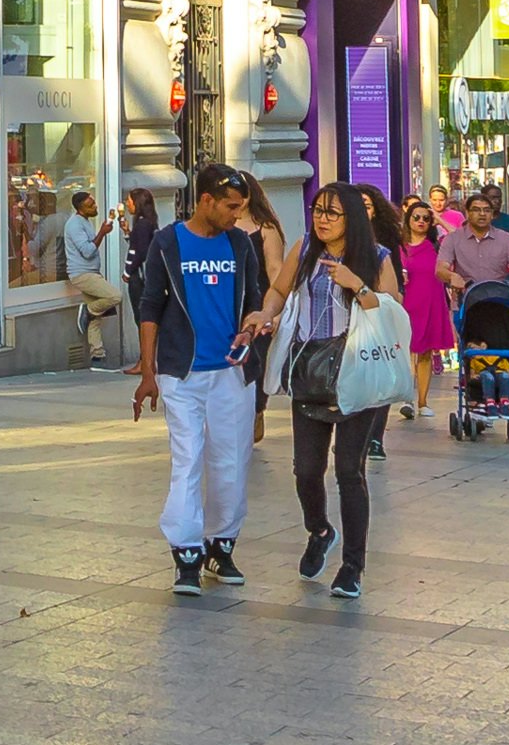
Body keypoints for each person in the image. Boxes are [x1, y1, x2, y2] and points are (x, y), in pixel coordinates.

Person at [135, 166, 262, 595]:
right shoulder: (167, 242)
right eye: (230, 206)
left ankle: (221, 545)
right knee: (188, 458)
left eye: (240, 208)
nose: (236, 215)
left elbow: (255, 300)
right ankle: (186, 551)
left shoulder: (240, 243)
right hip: (182, 371)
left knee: (230, 462)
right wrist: (148, 371)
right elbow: (150, 304)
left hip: (231, 371)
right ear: (205, 200)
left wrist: (251, 327)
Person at [275, 184, 403, 598]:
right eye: (317, 210)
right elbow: (279, 290)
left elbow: (392, 314)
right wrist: (264, 312)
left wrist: (357, 285)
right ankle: (319, 529)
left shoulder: (378, 258)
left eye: (332, 213)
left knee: (350, 471)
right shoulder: (305, 249)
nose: (322, 219)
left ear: (352, 217)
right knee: (306, 470)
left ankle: (352, 567)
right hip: (310, 369)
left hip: (357, 372)